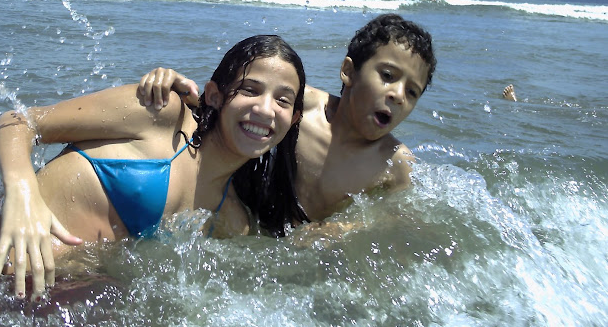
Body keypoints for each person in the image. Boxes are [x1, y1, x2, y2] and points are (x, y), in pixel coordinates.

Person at [0, 35, 306, 300]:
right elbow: (18, 122)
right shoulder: (160, 114)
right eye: (251, 89)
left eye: (282, 100)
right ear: (214, 95)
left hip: (46, 300)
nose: (265, 108)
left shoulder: (231, 218)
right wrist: (22, 192)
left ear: (293, 119)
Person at [140, 13, 436, 222]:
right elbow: (225, 105)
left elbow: (390, 219)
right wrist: (177, 86)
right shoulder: (296, 106)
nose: (398, 95)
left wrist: (342, 229)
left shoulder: (395, 164)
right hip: (248, 221)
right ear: (348, 72)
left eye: (412, 92)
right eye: (387, 76)